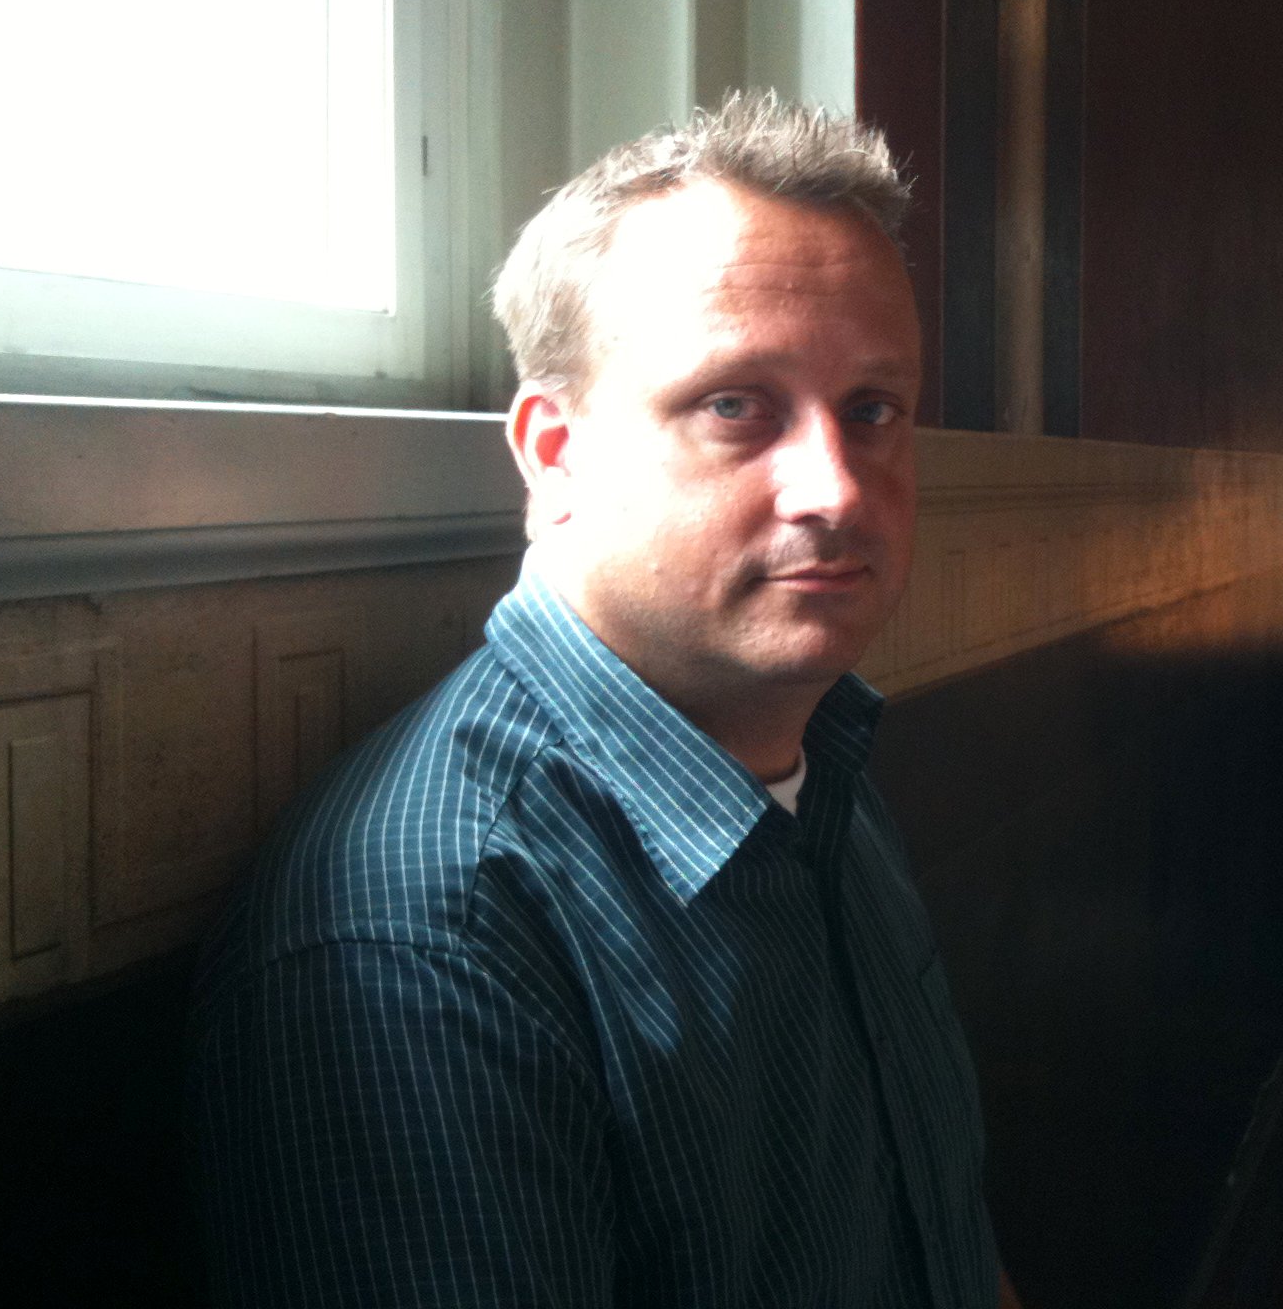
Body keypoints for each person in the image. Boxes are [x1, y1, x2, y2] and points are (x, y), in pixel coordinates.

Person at [189, 92, 1012, 1308]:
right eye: (734, 405)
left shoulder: (816, 759)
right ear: (553, 453)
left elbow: (947, 1243)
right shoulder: (431, 941)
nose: (835, 489)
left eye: (871, 411)